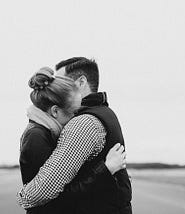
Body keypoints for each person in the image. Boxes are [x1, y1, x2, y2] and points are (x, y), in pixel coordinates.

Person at [17, 58, 132, 214]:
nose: (55, 85)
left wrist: (24, 197)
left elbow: (39, 193)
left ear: (81, 82)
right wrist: (106, 172)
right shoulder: (105, 112)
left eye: (62, 80)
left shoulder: (83, 123)